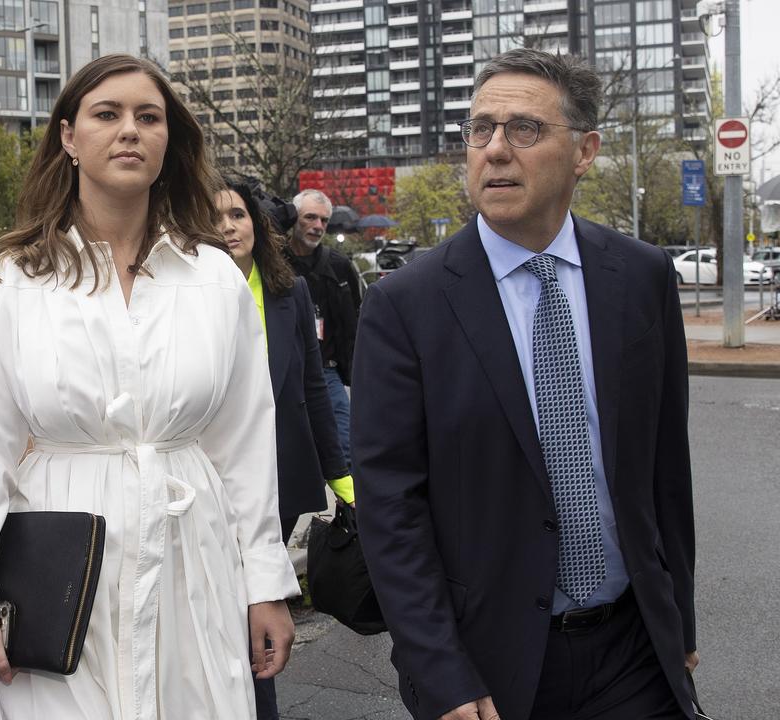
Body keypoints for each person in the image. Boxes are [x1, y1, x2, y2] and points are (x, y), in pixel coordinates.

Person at [0, 54, 299, 719]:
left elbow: (246, 446)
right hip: (62, 561)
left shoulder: (213, 279)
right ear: (69, 138)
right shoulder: (13, 279)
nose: (129, 130)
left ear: (171, 141)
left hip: (191, 555)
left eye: (148, 117)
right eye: (107, 114)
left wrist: (265, 584)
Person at [349, 48, 698, 720]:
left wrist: (678, 620)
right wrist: (440, 669)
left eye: (525, 130)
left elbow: (664, 471)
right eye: (481, 130)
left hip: (633, 650)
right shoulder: (406, 304)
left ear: (585, 150)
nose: (496, 150)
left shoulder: (641, 276)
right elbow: (391, 509)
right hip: (490, 668)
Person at [215, 182, 355, 720]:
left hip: (280, 473)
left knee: (255, 599)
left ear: (256, 224)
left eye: (237, 214)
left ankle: (258, 704)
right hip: (209, 479)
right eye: (215, 216)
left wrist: (340, 475)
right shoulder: (182, 292)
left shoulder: (288, 291)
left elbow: (313, 386)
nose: (228, 226)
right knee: (226, 603)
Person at [284, 189, 361, 466]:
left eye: (324, 221)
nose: (318, 226)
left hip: (326, 371)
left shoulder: (339, 266)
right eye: (310, 218)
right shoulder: (274, 262)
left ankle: (349, 509)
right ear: (294, 218)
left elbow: (355, 317)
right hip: (283, 372)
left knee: (344, 452)